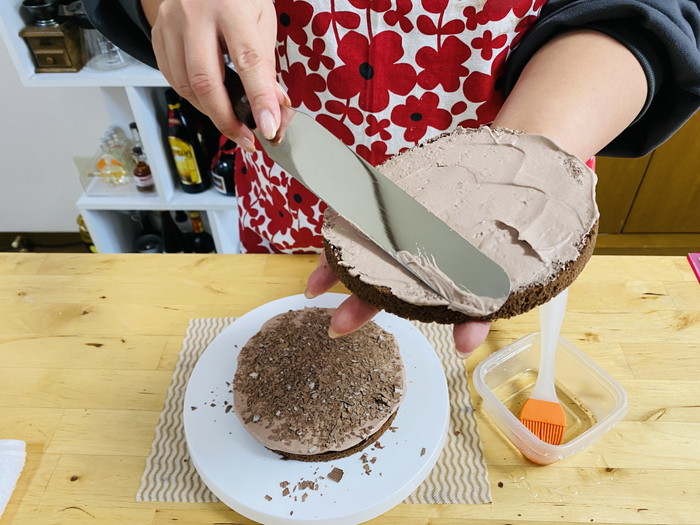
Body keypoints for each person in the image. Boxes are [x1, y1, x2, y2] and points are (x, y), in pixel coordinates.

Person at [84, 0, 700, 357]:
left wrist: (507, 175)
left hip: (518, 209)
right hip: (297, 192)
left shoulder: (516, 203)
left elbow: (647, 13)